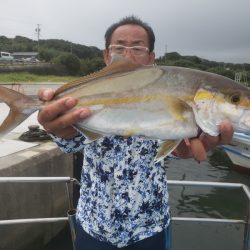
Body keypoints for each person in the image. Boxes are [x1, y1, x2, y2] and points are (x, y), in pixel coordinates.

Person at [37, 16, 233, 250]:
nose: (128, 55)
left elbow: (182, 150)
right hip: (94, 223)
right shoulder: (84, 93)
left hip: (149, 225)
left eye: (138, 48)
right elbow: (70, 144)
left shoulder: (168, 94)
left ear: (151, 57)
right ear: (107, 56)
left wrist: (190, 149)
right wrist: (55, 126)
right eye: (119, 47)